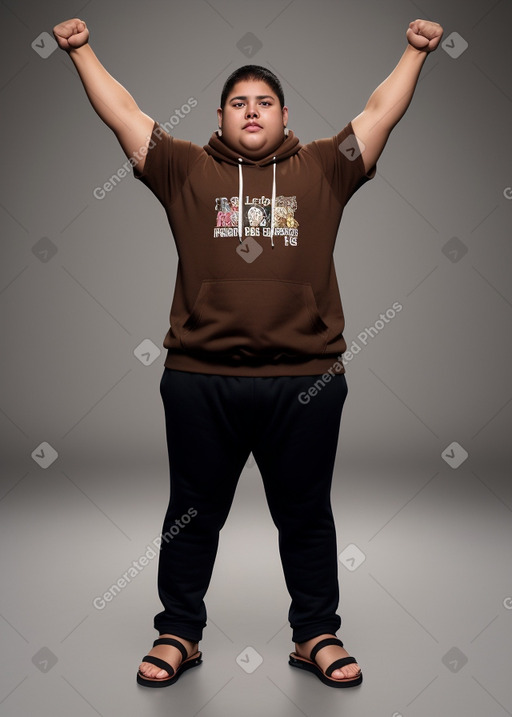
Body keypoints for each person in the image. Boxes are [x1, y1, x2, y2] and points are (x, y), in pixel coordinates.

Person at [53, 16, 443, 689]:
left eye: (264, 101)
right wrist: (81, 51)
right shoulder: (184, 167)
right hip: (199, 378)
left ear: (285, 114)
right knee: (190, 513)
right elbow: (123, 112)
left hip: (307, 380)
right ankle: (179, 633)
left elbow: (380, 112)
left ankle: (315, 634)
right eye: (239, 102)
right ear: (221, 116)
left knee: (307, 512)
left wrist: (414, 52)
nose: (252, 110)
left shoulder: (325, 165)